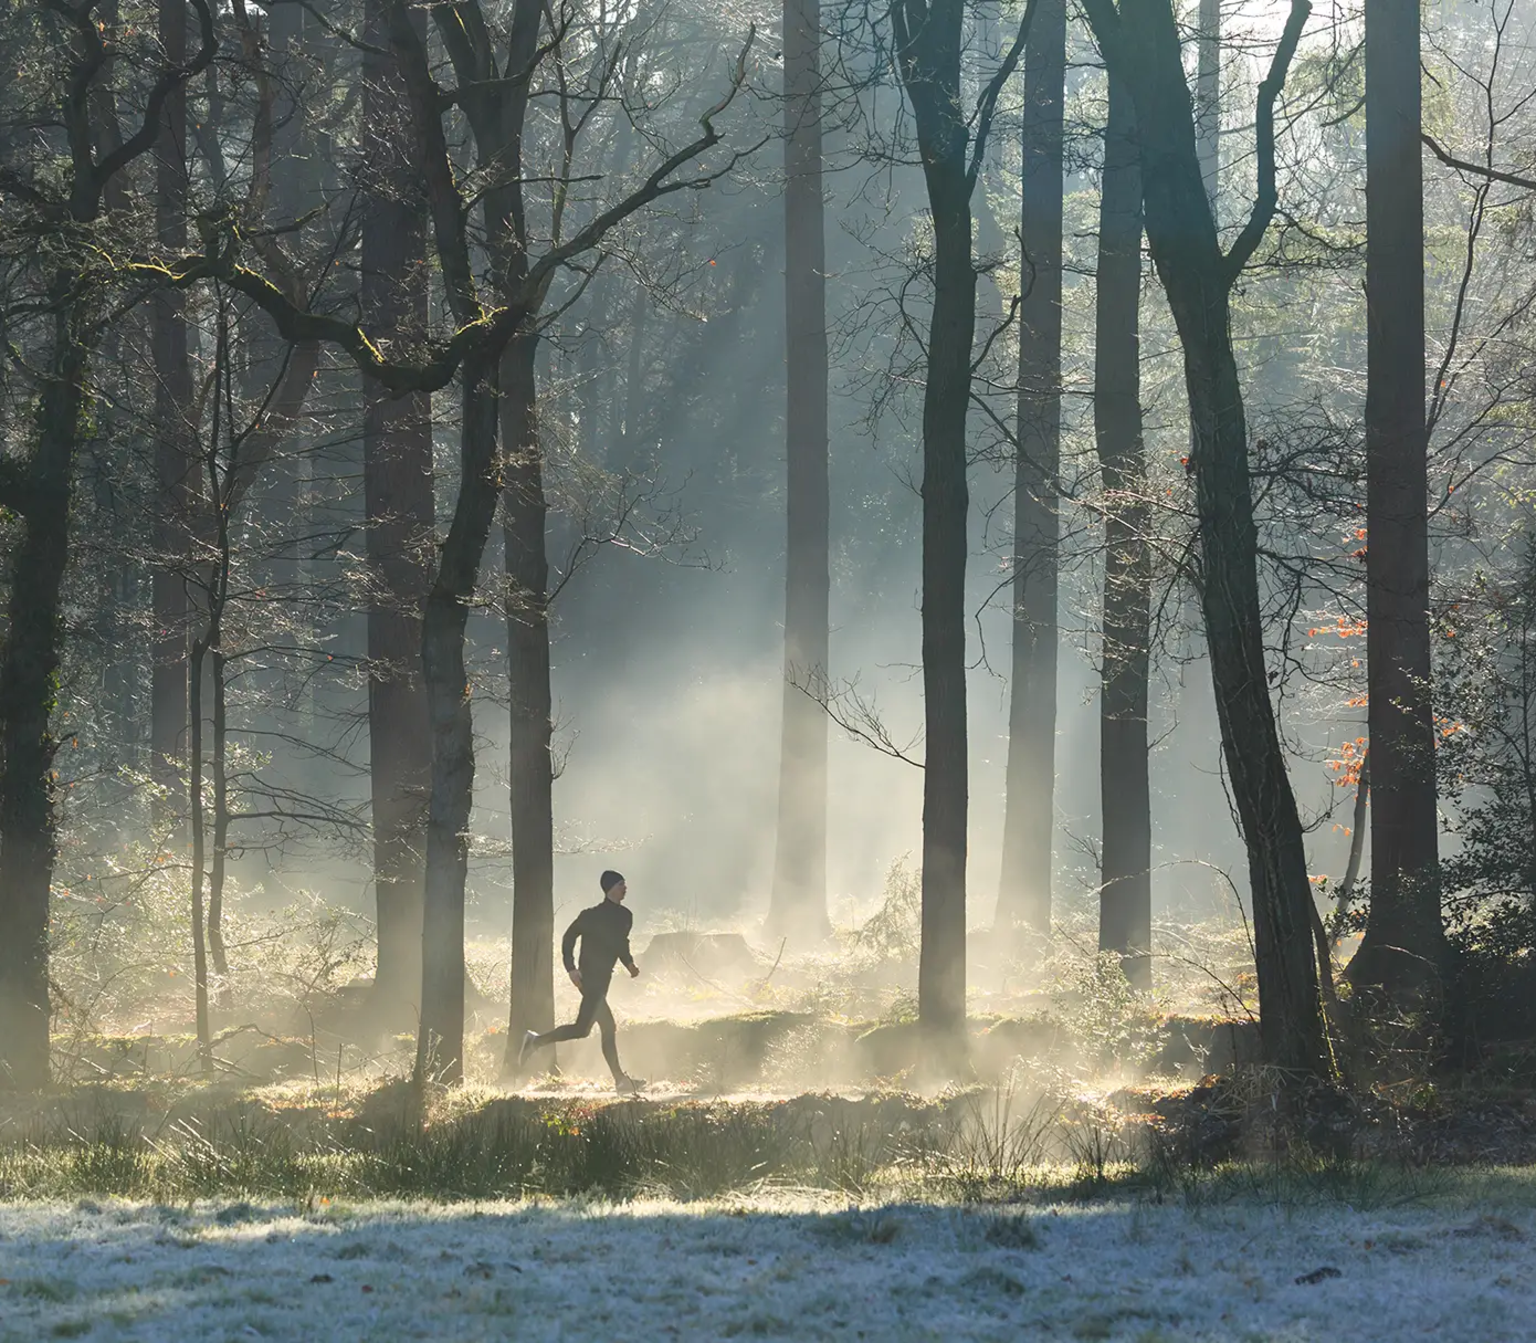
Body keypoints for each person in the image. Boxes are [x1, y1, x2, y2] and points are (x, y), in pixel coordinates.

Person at [517, 870, 646, 1096]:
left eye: (625, 884)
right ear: (609, 888)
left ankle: (535, 1041)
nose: (625, 888)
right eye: (620, 885)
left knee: (584, 1029)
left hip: (604, 978)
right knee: (605, 1027)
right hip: (589, 979)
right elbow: (568, 939)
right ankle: (620, 1081)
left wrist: (630, 964)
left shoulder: (626, 916)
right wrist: (571, 969)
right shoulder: (590, 915)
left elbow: (620, 944)